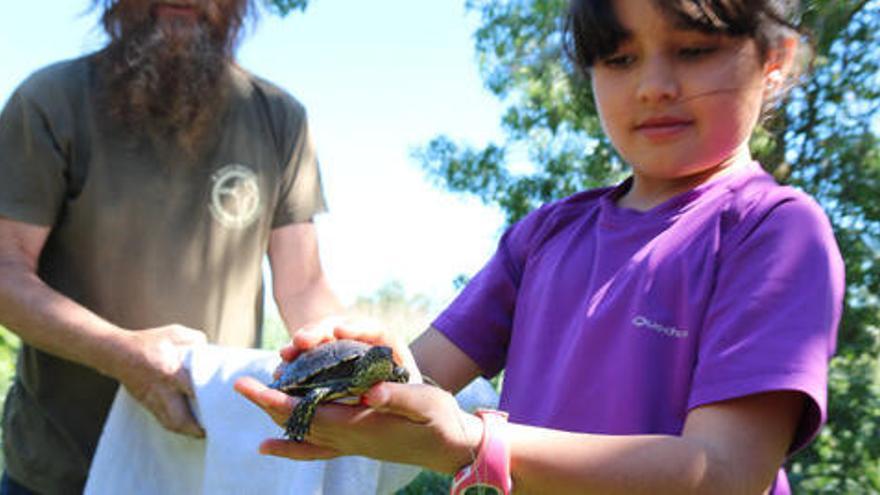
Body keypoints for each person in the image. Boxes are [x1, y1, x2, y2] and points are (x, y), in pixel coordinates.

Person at [236, 0, 845, 493]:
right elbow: (422, 380)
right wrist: (372, 374)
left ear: (776, 58)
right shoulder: (547, 234)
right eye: (619, 57)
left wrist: (481, 444)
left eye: (693, 50)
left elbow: (726, 472)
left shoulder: (776, 232)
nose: (655, 86)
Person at [0, 1, 343, 493]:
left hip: (204, 472)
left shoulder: (278, 119)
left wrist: (348, 364)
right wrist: (121, 354)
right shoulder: (50, 101)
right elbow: (5, 273)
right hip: (56, 473)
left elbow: (305, 286)